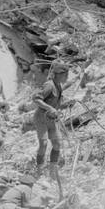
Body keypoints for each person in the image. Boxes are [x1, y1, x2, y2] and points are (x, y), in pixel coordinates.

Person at [33, 60, 68, 192]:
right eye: (65, 75)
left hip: (52, 119)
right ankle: (40, 171)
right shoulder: (49, 85)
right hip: (41, 118)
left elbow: (56, 103)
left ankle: (53, 171)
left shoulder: (59, 86)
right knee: (43, 144)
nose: (66, 78)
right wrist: (49, 107)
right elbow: (36, 98)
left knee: (57, 143)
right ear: (58, 74)